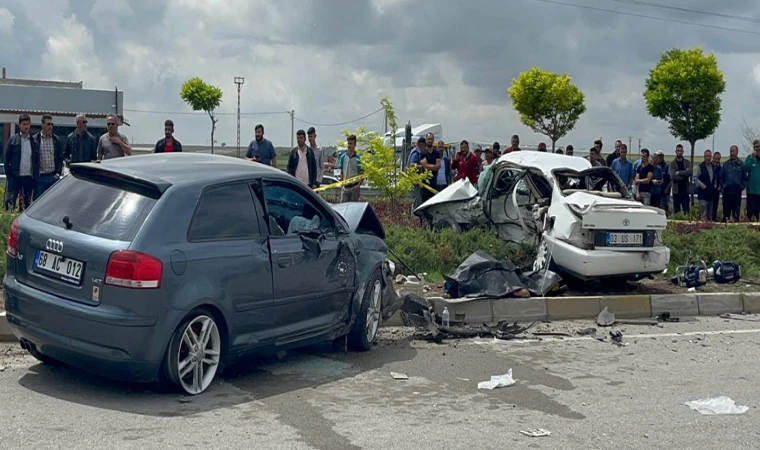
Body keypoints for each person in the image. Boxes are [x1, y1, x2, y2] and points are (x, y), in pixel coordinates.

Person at [4, 114, 38, 211]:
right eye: (24, 124)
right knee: (10, 204)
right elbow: (6, 159)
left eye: (28, 124)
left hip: (28, 178)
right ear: (19, 125)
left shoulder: (33, 142)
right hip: (15, 178)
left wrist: (35, 177)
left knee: (26, 206)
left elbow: (36, 161)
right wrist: (9, 176)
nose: (26, 126)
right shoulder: (13, 140)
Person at [32, 114, 65, 199]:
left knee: (52, 202)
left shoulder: (56, 140)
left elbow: (60, 157)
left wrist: (58, 173)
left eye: (51, 124)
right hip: (40, 178)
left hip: (52, 177)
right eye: (48, 124)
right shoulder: (35, 139)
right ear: (42, 125)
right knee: (37, 203)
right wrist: (35, 176)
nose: (50, 126)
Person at [721, 145, 746, 222]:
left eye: (733, 151)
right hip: (727, 193)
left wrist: (741, 187)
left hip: (737, 193)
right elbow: (721, 178)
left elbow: (745, 178)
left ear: (737, 152)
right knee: (726, 214)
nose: (732, 153)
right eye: (731, 151)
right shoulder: (725, 165)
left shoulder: (741, 164)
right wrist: (723, 186)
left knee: (735, 214)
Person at [695, 149, 719, 221]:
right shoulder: (700, 167)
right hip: (703, 196)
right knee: (703, 215)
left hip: (711, 196)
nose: (708, 158)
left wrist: (715, 185)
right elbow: (694, 178)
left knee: (710, 216)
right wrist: (701, 185)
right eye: (707, 156)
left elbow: (715, 178)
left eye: (709, 156)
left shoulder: (713, 167)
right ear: (704, 157)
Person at [669, 144, 692, 215]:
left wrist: (679, 172)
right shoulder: (672, 164)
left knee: (686, 211)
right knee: (677, 211)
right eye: (678, 151)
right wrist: (684, 175)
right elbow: (673, 176)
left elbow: (689, 172)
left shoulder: (687, 162)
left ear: (683, 152)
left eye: (681, 151)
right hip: (676, 191)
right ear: (675, 151)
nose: (679, 152)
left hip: (685, 190)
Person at [338, 134, 362, 203]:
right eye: (348, 143)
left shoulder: (358, 158)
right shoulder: (343, 157)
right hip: (345, 188)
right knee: (343, 208)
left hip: (354, 188)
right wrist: (341, 184)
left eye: (351, 143)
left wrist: (358, 185)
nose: (349, 145)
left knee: (353, 209)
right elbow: (342, 171)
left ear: (355, 144)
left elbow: (361, 172)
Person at [419, 134, 441, 203]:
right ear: (426, 140)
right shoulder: (423, 152)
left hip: (434, 182)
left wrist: (428, 166)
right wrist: (434, 166)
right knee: (425, 202)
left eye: (431, 139)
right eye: (428, 139)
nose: (430, 140)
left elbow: (438, 166)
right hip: (425, 182)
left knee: (433, 202)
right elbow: (424, 166)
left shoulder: (436, 152)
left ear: (433, 140)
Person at [745, 139, 760, 221]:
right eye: (754, 147)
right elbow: (745, 168)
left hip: (759, 190)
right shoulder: (750, 158)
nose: (756, 149)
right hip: (751, 190)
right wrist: (751, 159)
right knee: (750, 211)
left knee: (757, 212)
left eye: (757, 147)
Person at [656, 150, 671, 215]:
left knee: (665, 207)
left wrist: (667, 188)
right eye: (657, 156)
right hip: (656, 191)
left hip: (664, 191)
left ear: (662, 157)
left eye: (660, 156)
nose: (658, 158)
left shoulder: (666, 166)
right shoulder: (654, 166)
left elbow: (671, 179)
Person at [711, 151, 722, 221]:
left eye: (718, 159)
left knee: (715, 207)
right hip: (709, 190)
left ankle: (714, 220)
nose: (717, 161)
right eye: (716, 159)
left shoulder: (721, 169)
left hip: (716, 191)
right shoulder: (709, 167)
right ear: (713, 158)